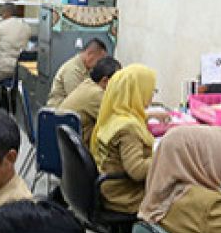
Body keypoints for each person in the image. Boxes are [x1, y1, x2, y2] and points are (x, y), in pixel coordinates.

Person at [91, 63, 157, 215]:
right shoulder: (128, 128)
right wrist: (166, 157)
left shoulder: (113, 115)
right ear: (137, 91)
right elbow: (138, 171)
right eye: (151, 90)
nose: (152, 95)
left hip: (109, 189)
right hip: (126, 197)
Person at [58, 56, 121, 145]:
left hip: (64, 144)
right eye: (118, 80)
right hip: (75, 149)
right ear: (105, 80)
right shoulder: (96, 94)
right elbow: (117, 121)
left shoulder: (88, 83)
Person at [46, 38, 109, 107]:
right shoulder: (72, 70)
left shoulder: (85, 69)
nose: (100, 64)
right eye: (99, 61)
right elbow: (78, 100)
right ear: (90, 54)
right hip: (59, 113)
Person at [0, 4, 30, 83]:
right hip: (21, 69)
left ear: (7, 13)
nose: (2, 16)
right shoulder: (26, 26)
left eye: (2, 13)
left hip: (5, 68)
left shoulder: (1, 26)